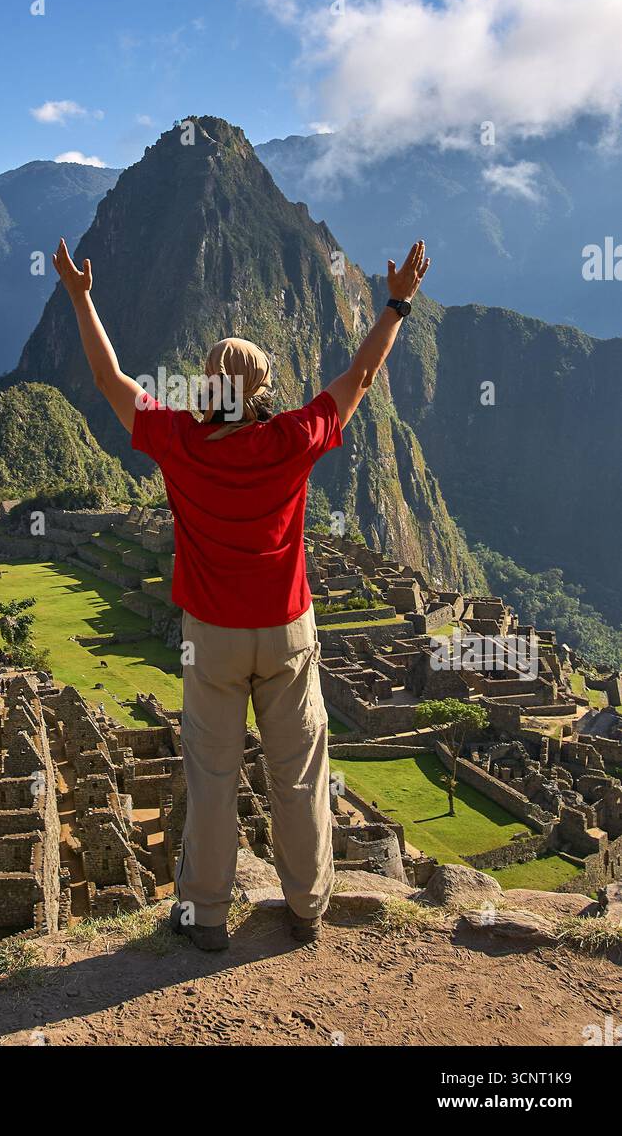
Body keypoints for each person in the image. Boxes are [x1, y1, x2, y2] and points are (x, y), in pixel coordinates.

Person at [52, 236, 431, 951]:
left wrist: (79, 297)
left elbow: (108, 379)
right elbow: (362, 374)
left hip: (212, 638)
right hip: (286, 632)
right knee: (300, 775)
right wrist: (397, 304)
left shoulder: (177, 440)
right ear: (263, 389)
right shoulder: (294, 437)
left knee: (212, 776)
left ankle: (205, 914)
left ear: (208, 386)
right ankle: (307, 906)